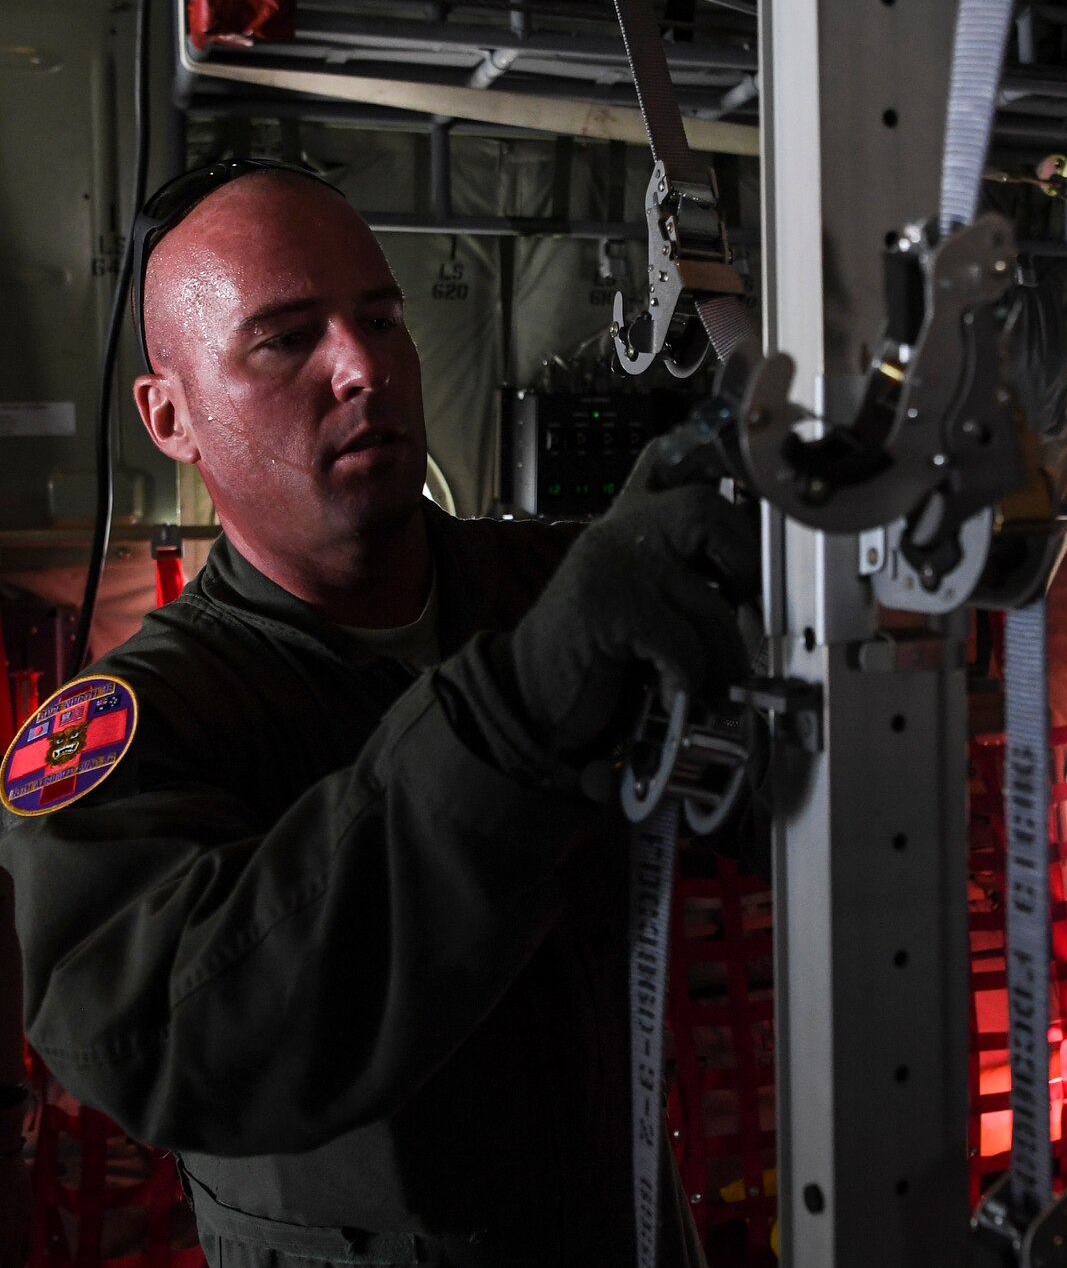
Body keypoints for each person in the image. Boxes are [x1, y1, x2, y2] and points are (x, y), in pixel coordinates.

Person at [0, 160, 755, 1267]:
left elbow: (766, 784)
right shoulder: (135, 727)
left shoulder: (555, 587)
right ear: (171, 415)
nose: (363, 366)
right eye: (285, 337)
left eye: (383, 317)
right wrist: (517, 710)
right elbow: (170, 1044)